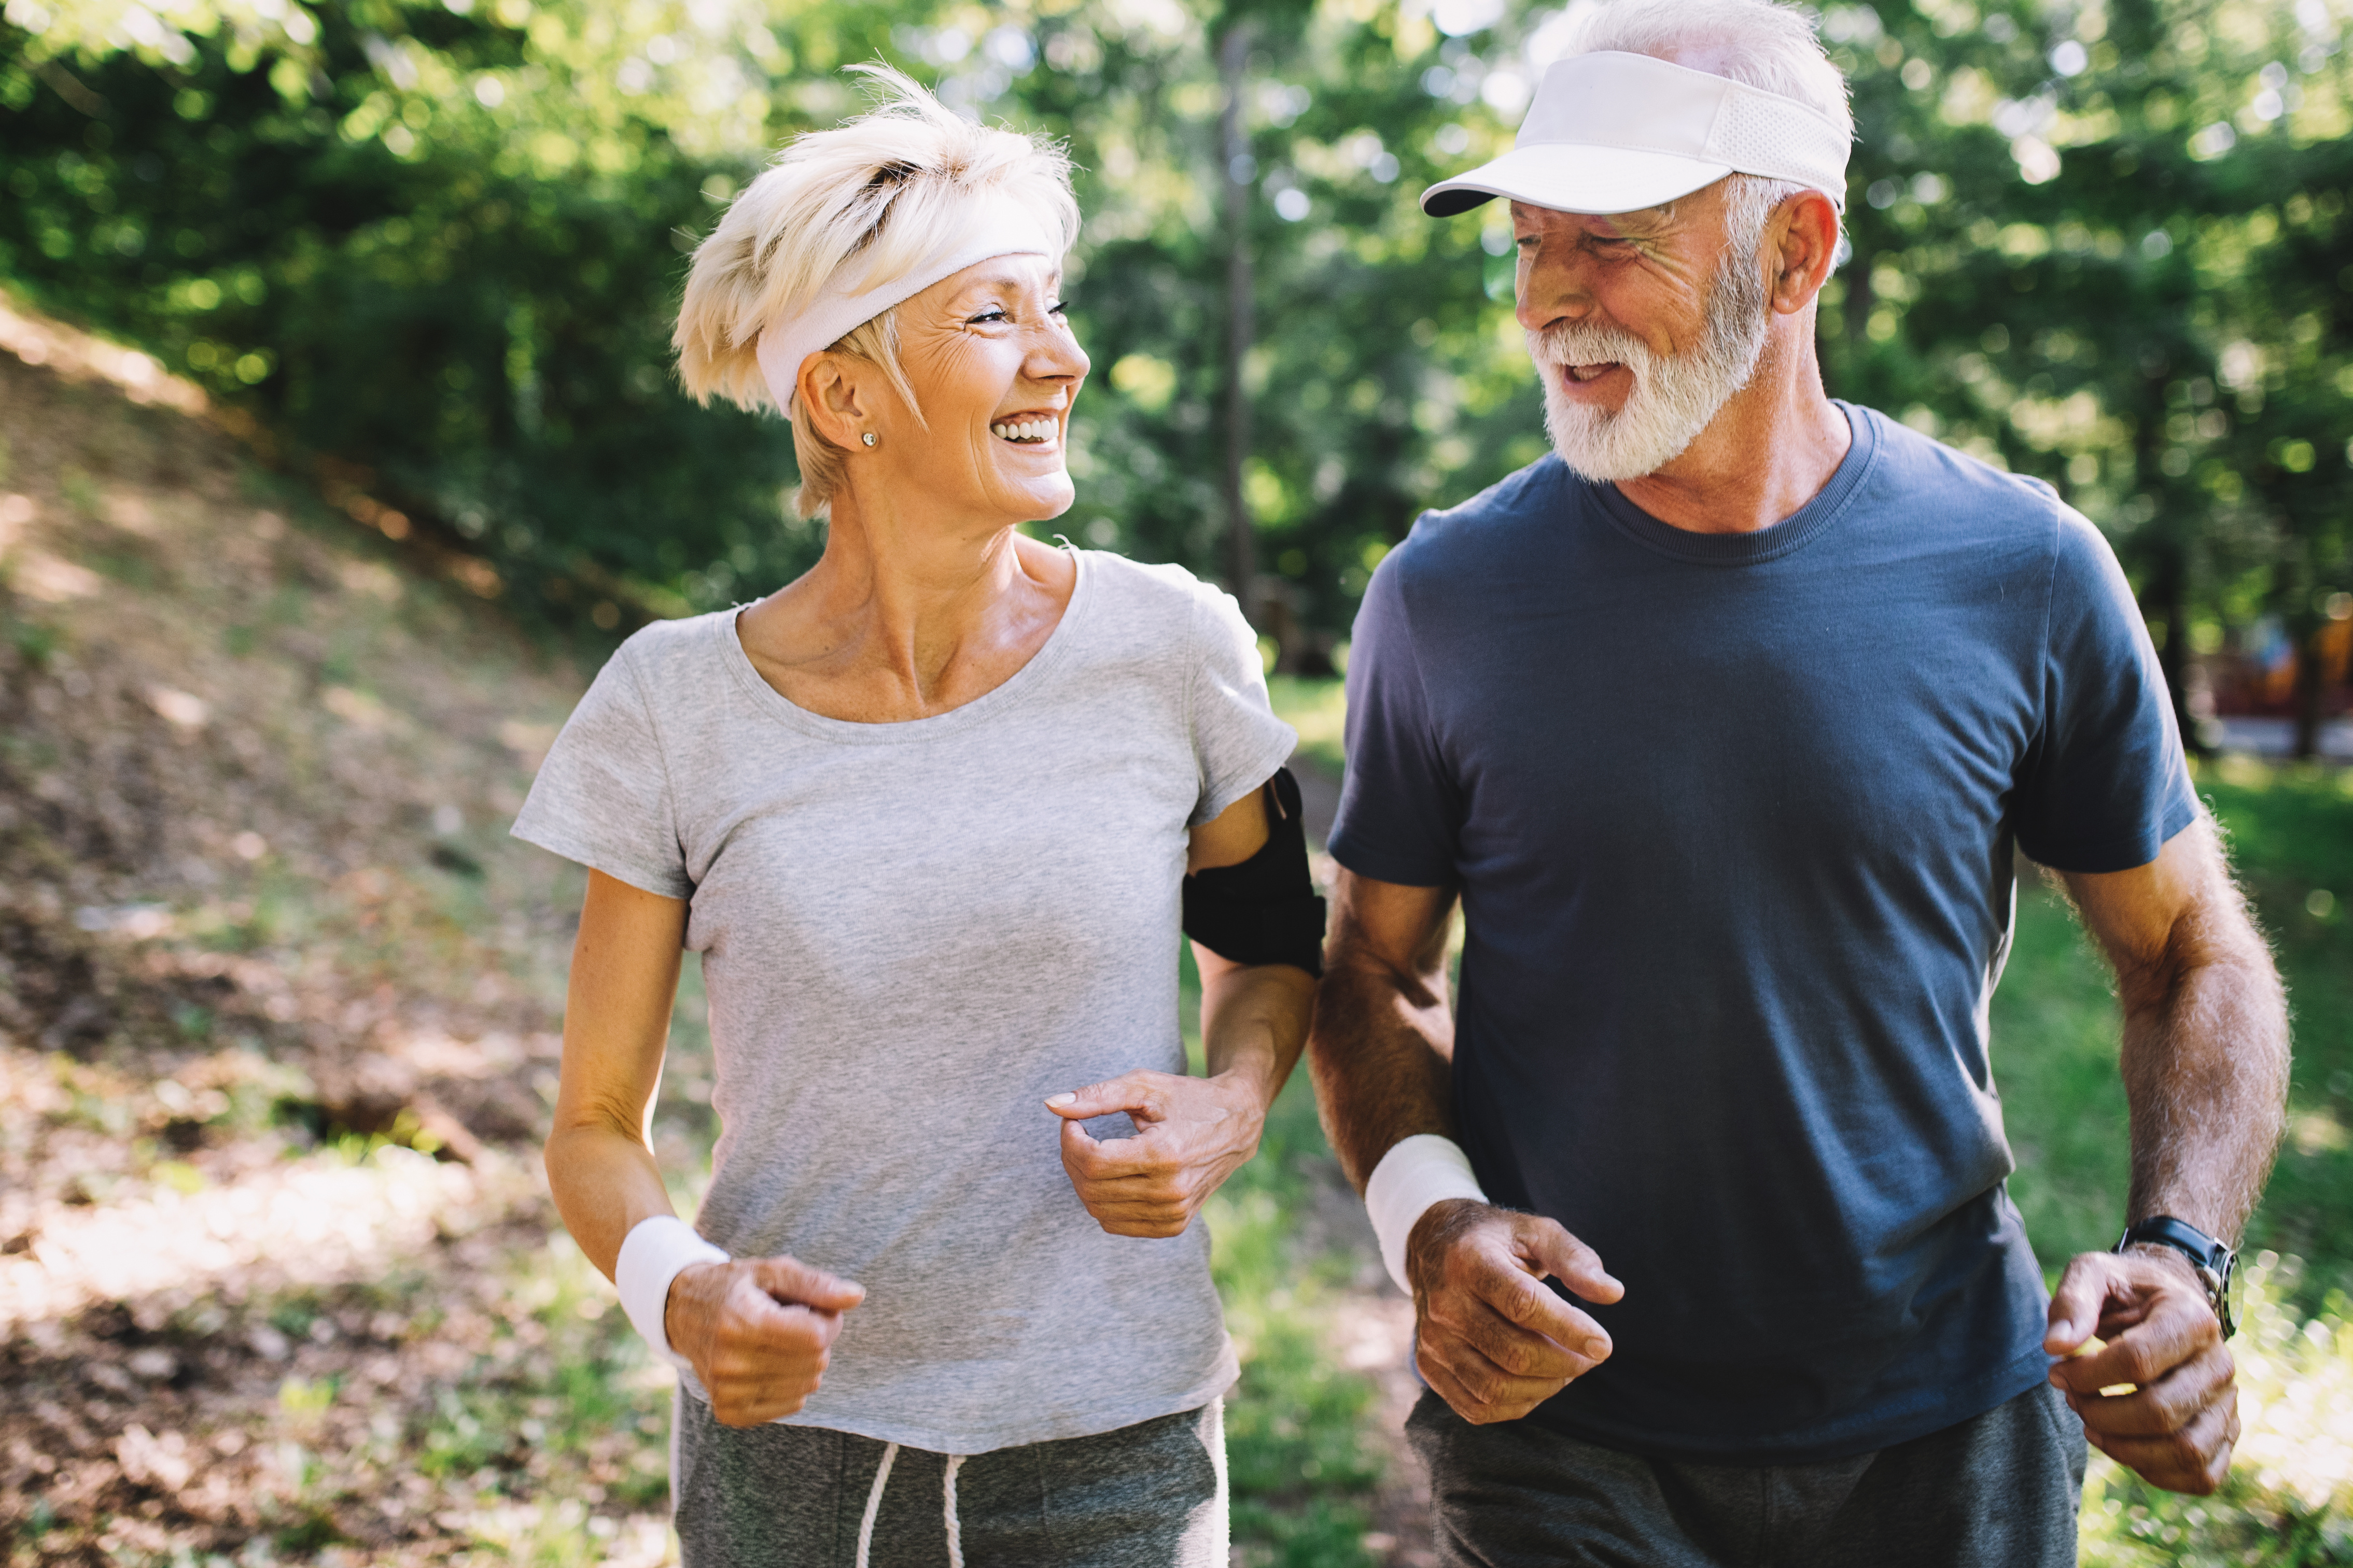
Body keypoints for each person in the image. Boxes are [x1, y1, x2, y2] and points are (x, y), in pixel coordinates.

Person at [1307, 3, 2291, 1564]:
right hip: (1564, 1433)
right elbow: (1371, 965)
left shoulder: (2023, 571)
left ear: (1794, 252)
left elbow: (2188, 954)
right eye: (1527, 242)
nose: (1549, 296)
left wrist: (2179, 1255)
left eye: (1613, 240)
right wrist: (1431, 1220)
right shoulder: (1445, 596)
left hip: (1948, 1425)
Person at [514, 69, 1325, 1568]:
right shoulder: (671, 702)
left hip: (1114, 1446)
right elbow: (589, 1126)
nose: (1066, 356)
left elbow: (1273, 943)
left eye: (1056, 307)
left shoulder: (1173, 644)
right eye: (998, 316)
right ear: (842, 393)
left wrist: (1230, 1103)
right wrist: (678, 1291)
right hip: (790, 1461)